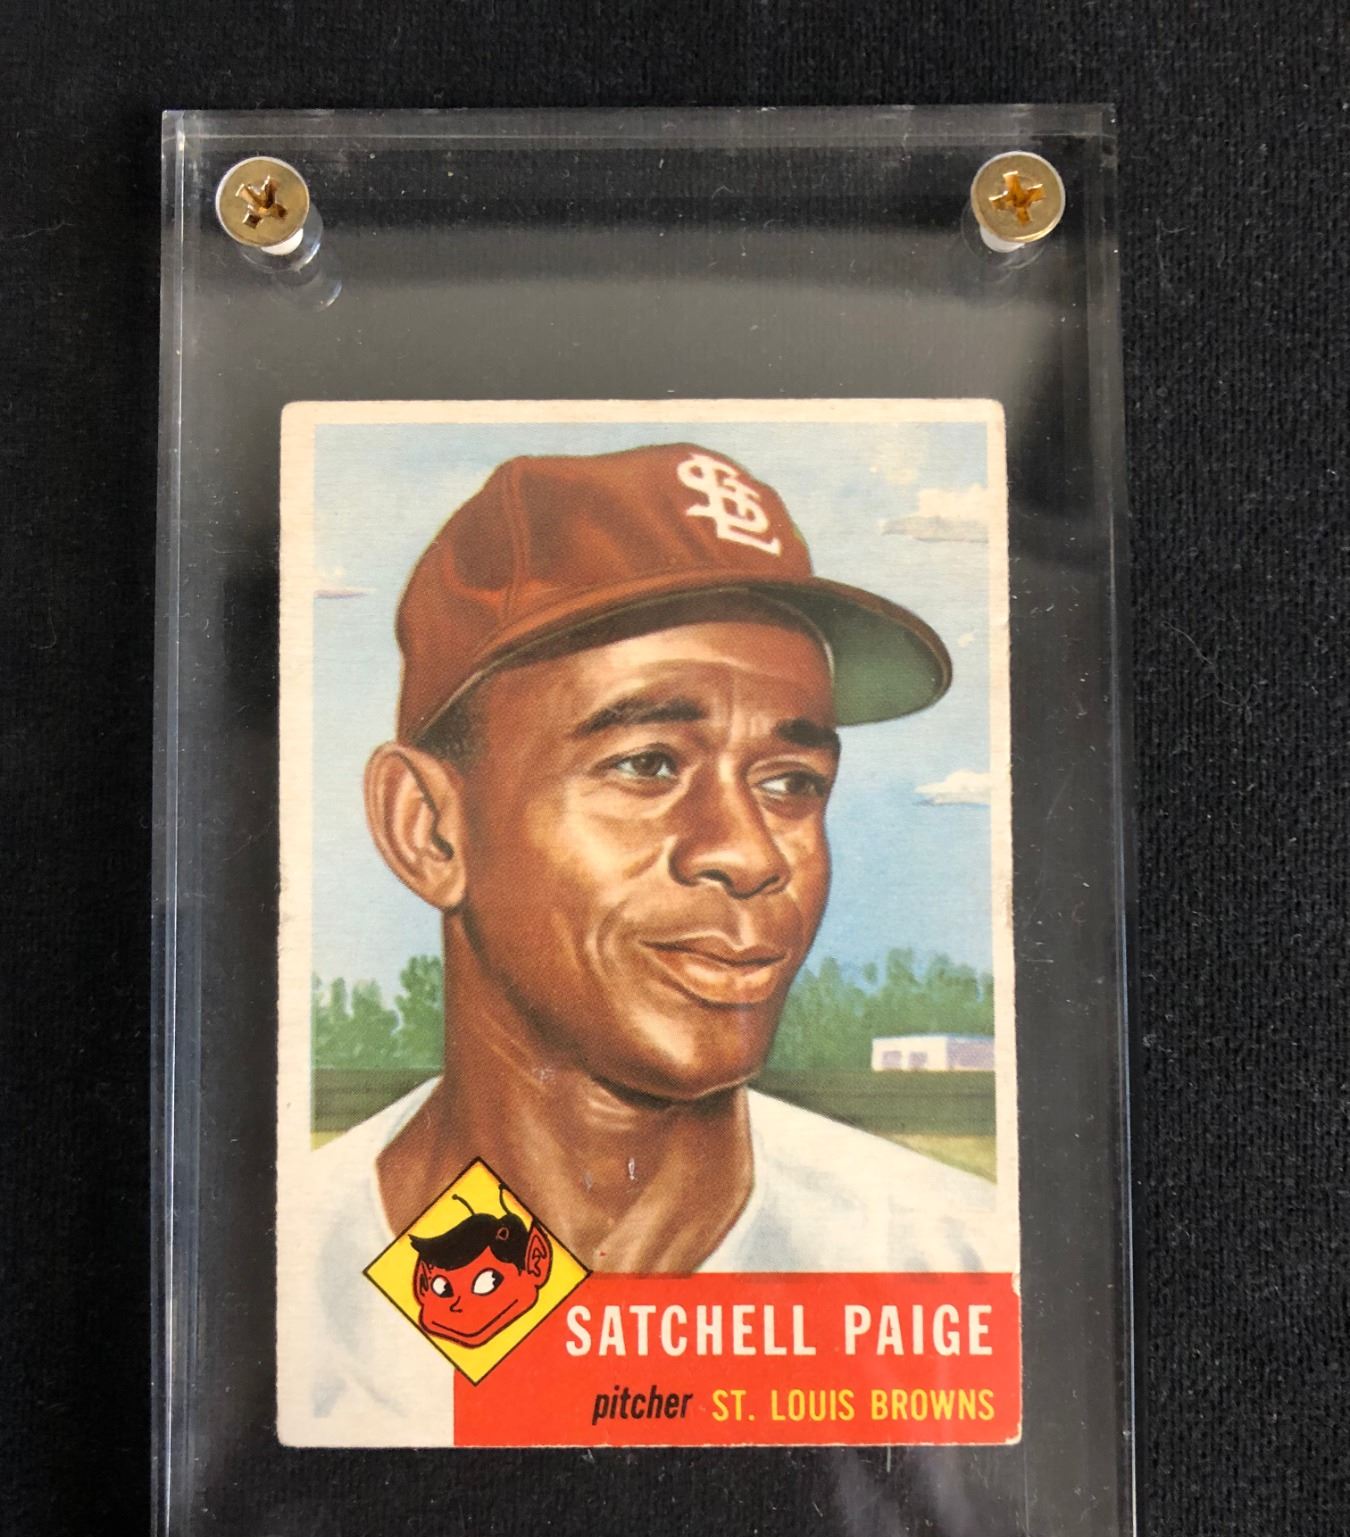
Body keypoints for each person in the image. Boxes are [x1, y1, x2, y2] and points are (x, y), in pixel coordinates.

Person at [282, 442, 1006, 1442]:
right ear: (430, 831)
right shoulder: (279, 1294)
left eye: (791, 781)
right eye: (647, 764)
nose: (750, 853)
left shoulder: (959, 1269)